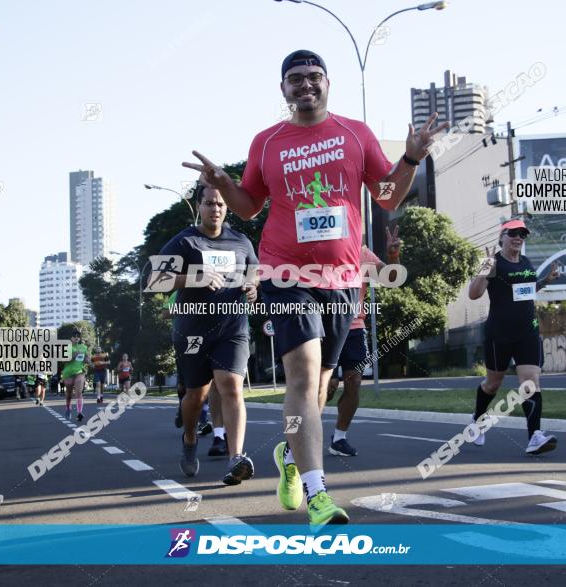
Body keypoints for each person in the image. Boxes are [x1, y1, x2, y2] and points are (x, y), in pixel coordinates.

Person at [183, 49, 446, 525]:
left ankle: (290, 453)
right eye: (295, 79)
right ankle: (319, 496)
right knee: (303, 379)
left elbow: (386, 196)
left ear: (328, 84)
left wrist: (411, 158)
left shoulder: (354, 133)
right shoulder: (267, 142)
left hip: (343, 278)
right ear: (282, 89)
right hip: (286, 274)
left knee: (320, 390)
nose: (305, 85)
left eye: (314, 76)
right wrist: (223, 180)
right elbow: (247, 207)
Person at [149, 185, 259, 485]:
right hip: (193, 330)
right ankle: (189, 437)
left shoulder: (241, 241)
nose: (216, 209)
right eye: (210, 203)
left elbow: (254, 274)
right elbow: (156, 280)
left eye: (221, 204)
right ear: (199, 206)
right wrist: (194, 277)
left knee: (231, 386)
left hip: (232, 327)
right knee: (196, 397)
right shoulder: (184, 241)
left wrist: (252, 288)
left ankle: (236, 458)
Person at [467, 219, 559, 455]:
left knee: (531, 382)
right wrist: (484, 270)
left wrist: (546, 281)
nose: (518, 237)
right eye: (513, 233)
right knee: (492, 384)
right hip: (499, 333)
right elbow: (474, 294)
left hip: (527, 331)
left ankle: (534, 436)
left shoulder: (527, 263)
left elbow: (524, 291)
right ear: (502, 237)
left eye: (522, 234)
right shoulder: (493, 262)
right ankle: (477, 420)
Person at [325, 228, 401, 457]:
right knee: (324, 386)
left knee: (354, 382)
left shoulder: (362, 253)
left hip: (355, 327)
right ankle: (300, 436)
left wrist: (393, 257)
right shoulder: (320, 249)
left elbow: (391, 281)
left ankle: (339, 438)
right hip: (325, 326)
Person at [61, 329, 91, 421]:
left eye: (78, 336)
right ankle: (68, 408)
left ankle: (79, 412)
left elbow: (87, 359)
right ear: (71, 338)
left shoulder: (83, 347)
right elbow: (63, 360)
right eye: (75, 336)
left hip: (79, 372)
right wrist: (73, 355)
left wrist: (88, 360)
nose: (77, 338)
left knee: (78, 392)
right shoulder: (67, 347)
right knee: (69, 394)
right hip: (68, 373)